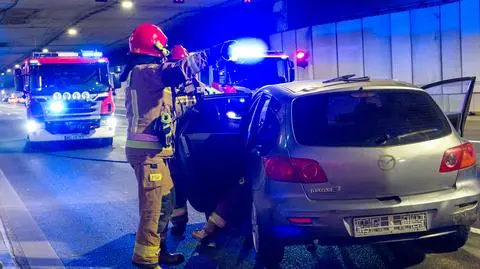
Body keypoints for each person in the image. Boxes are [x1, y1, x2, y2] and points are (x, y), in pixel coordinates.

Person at [121, 23, 217, 269]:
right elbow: (177, 71)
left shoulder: (144, 74)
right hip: (148, 154)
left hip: (157, 152)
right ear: (155, 46)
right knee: (153, 208)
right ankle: (145, 260)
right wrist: (214, 53)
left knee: (165, 202)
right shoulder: (145, 72)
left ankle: (159, 251)